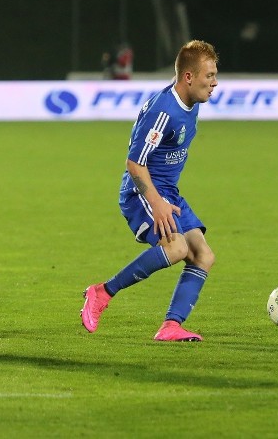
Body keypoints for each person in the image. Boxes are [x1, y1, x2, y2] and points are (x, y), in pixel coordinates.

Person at [81, 40, 219, 341]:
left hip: (168, 192)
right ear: (188, 77)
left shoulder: (189, 104)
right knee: (177, 248)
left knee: (203, 255)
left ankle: (171, 326)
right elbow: (134, 163)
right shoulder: (164, 110)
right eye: (209, 76)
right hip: (141, 193)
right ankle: (101, 292)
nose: (214, 83)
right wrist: (156, 203)